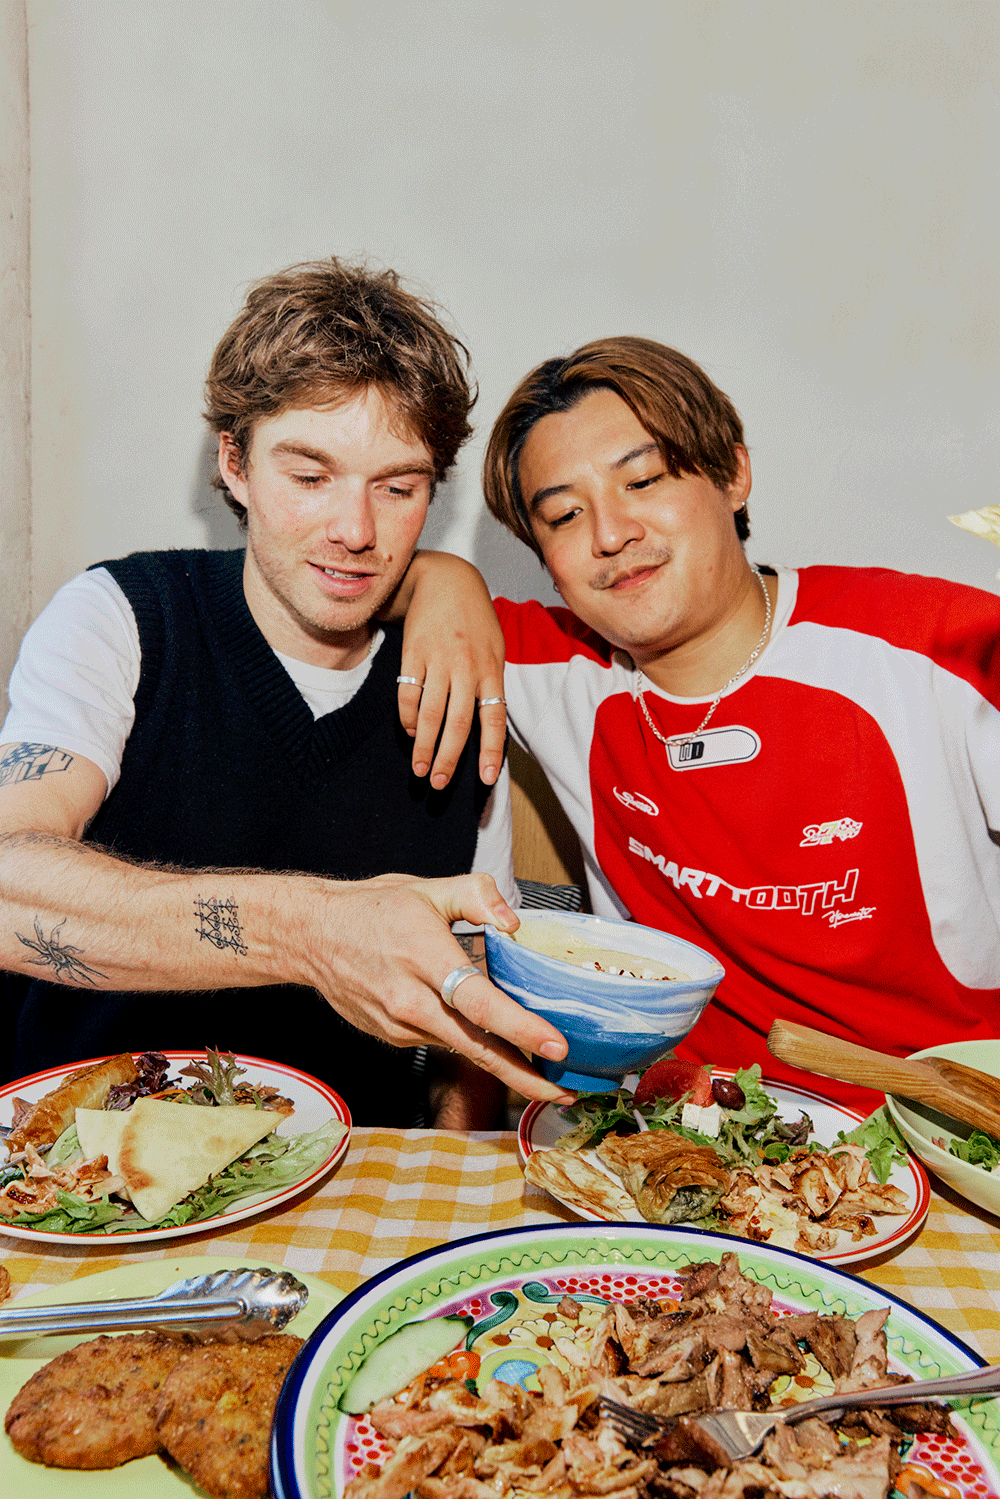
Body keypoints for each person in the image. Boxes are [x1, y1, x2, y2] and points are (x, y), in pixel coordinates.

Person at [0, 257, 573, 1127]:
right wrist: (310, 930)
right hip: (84, 1175)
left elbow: (471, 997)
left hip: (354, 1186)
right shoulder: (121, 618)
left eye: (399, 487)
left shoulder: (455, 678)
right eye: (310, 477)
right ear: (233, 463)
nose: (355, 530)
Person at [407, 336, 1000, 1111]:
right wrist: (441, 573)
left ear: (733, 473)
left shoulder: (936, 648)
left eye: (643, 479)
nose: (611, 534)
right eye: (563, 515)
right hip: (683, 1134)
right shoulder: (553, 671)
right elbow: (352, 577)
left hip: (940, 1126)